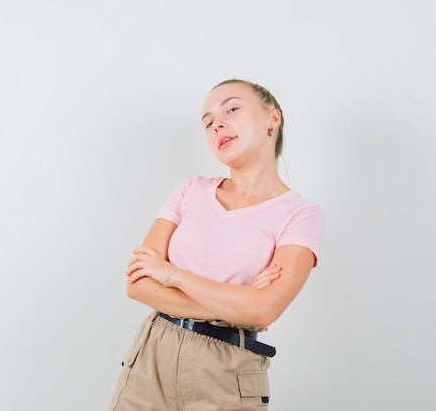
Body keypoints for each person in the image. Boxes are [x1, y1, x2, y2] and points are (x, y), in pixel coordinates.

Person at [108, 79, 325, 410]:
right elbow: (137, 285)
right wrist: (241, 300)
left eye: (233, 109)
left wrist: (172, 275)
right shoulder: (190, 190)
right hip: (152, 355)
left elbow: (265, 309)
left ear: (273, 119)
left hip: (228, 371)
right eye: (208, 122)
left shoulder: (300, 214)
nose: (217, 124)